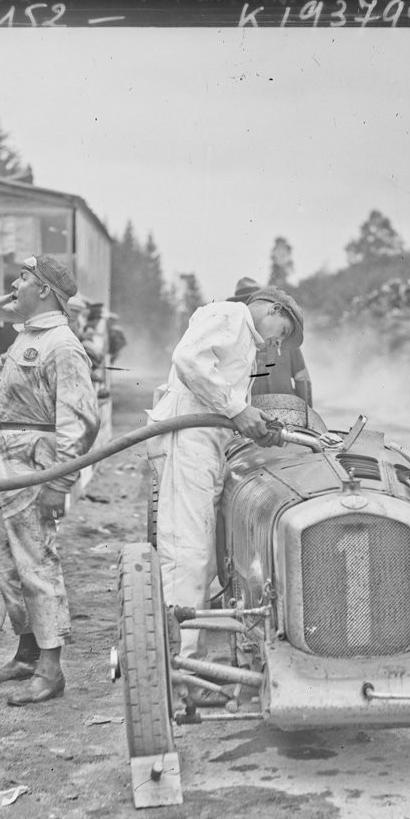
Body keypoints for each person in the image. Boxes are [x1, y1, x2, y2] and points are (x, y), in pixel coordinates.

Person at [0, 255, 101, 706]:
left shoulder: (62, 345)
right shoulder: (27, 341)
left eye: (23, 278)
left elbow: (80, 421)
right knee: (6, 561)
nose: (13, 284)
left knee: (36, 561)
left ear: (43, 290)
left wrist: (58, 481)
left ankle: (52, 669)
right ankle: (26, 653)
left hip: (34, 465)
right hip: (4, 458)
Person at [146, 286, 303, 693]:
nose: (277, 342)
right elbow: (188, 360)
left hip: (207, 441)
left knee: (206, 556)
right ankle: (178, 666)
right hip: (188, 437)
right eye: (281, 331)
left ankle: (187, 656)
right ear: (272, 308)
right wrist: (237, 410)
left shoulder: (246, 342)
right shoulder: (230, 315)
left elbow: (229, 398)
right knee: (188, 552)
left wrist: (254, 423)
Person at [230, 276, 313, 405]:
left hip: (287, 409)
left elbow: (302, 377)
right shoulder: (236, 339)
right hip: (251, 413)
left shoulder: (285, 338)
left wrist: (307, 414)